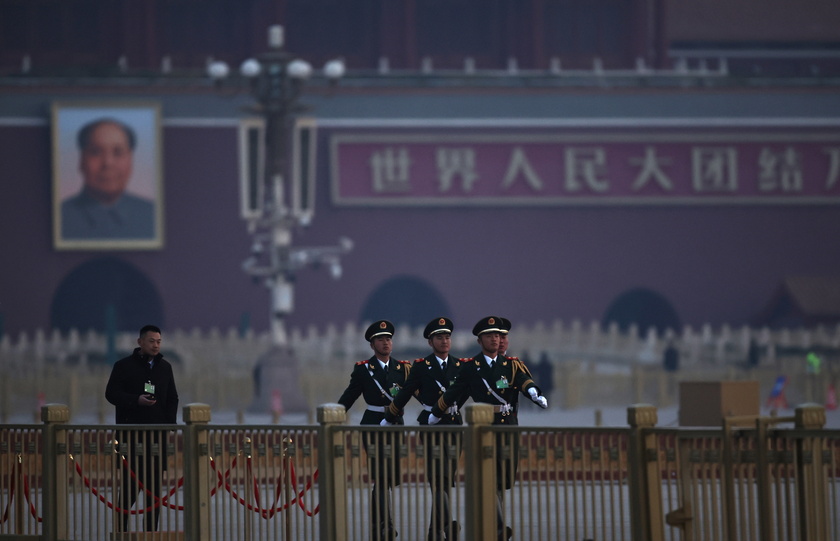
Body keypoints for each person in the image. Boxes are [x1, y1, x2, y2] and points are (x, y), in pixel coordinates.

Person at [429, 316, 548, 540]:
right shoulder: (470, 367)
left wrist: (534, 392)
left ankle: (495, 524)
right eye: (490, 336)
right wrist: (437, 412)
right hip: (484, 430)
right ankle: (499, 526)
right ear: (480, 340)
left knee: (502, 480)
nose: (496, 340)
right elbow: (456, 393)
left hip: (508, 427)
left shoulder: (511, 365)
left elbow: (523, 380)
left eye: (499, 336)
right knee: (490, 477)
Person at [385, 317, 464, 541]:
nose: (445, 341)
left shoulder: (460, 366)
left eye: (447, 337)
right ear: (431, 342)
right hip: (431, 426)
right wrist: (390, 414)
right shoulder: (421, 367)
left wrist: (454, 407)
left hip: (454, 425)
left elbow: (466, 390)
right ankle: (447, 524)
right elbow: (406, 392)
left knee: (447, 479)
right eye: (439, 337)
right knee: (436, 478)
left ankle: (433, 531)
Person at [337, 320, 411, 541]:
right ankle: (384, 524)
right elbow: (349, 396)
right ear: (372, 345)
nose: (386, 343)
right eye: (381, 340)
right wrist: (334, 415)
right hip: (373, 425)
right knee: (380, 477)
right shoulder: (363, 370)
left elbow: (420, 393)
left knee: (391, 478)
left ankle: (380, 522)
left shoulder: (403, 369)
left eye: (388, 339)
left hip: (396, 424)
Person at [105, 324, 179, 532]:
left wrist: (169, 425)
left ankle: (150, 534)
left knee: (153, 494)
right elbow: (111, 394)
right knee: (128, 491)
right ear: (140, 342)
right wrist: (135, 400)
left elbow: (172, 398)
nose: (155, 346)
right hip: (132, 438)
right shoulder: (123, 366)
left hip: (157, 439)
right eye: (151, 341)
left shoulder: (165, 368)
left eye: (158, 341)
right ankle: (121, 533)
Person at [61, 118, 155, 240]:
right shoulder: (62, 216)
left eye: (118, 152)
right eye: (96, 152)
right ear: (81, 160)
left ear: (131, 160)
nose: (108, 163)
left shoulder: (151, 214)